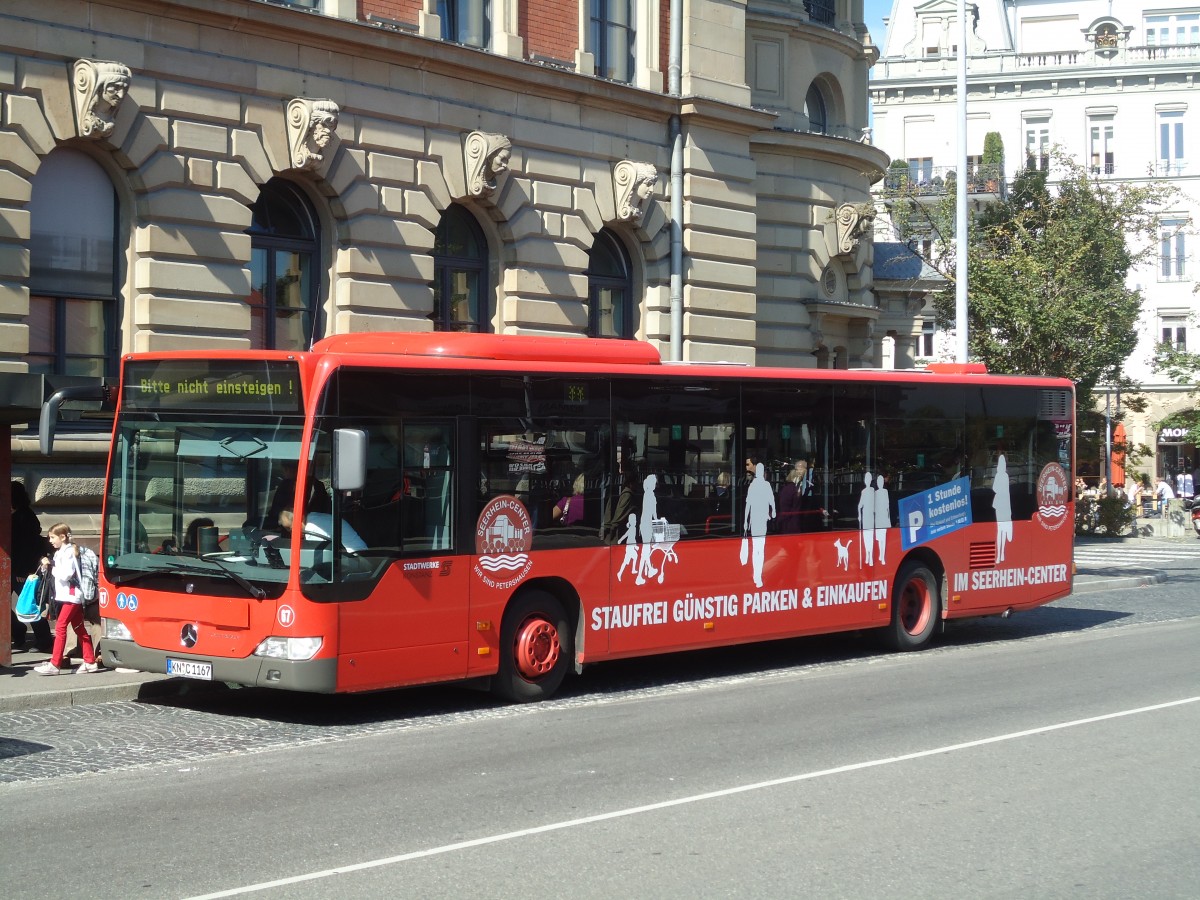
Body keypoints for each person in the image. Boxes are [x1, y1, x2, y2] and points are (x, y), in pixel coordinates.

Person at [33, 524, 99, 675]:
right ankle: (90, 662)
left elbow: (66, 575)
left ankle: (55, 664)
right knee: (79, 628)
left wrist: (51, 567)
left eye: (52, 537)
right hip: (68, 596)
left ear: (62, 537)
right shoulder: (60, 552)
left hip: (72, 596)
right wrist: (48, 566)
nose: (50, 541)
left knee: (60, 627)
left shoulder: (68, 553)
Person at [10, 482, 52, 653]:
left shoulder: (24, 516)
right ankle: (18, 631)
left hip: (19, 570)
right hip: (12, 568)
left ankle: (43, 639)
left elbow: (27, 547)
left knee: (30, 603)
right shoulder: (18, 515)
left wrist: (22, 570)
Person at [743, 462, 776, 588]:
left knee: (756, 549)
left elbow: (748, 505)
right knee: (759, 550)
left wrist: (745, 521)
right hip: (761, 521)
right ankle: (758, 575)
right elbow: (772, 501)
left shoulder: (752, 486)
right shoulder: (766, 485)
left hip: (756, 522)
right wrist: (773, 512)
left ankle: (756, 575)